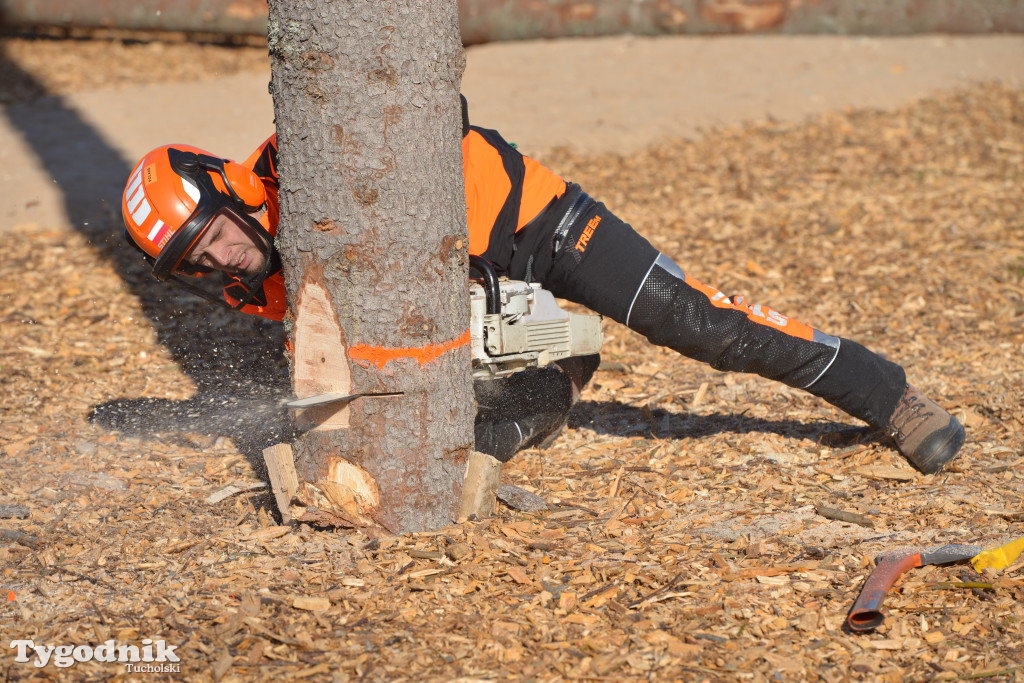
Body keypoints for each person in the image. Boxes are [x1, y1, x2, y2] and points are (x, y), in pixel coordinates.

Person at [121, 97, 965, 473]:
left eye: (216, 240)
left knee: (703, 325)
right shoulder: (255, 286)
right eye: (195, 265)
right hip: (485, 304)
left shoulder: (293, 155)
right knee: (482, 425)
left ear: (227, 188)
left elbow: (430, 103)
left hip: (542, 225)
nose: (220, 265)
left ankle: (886, 393)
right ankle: (569, 360)